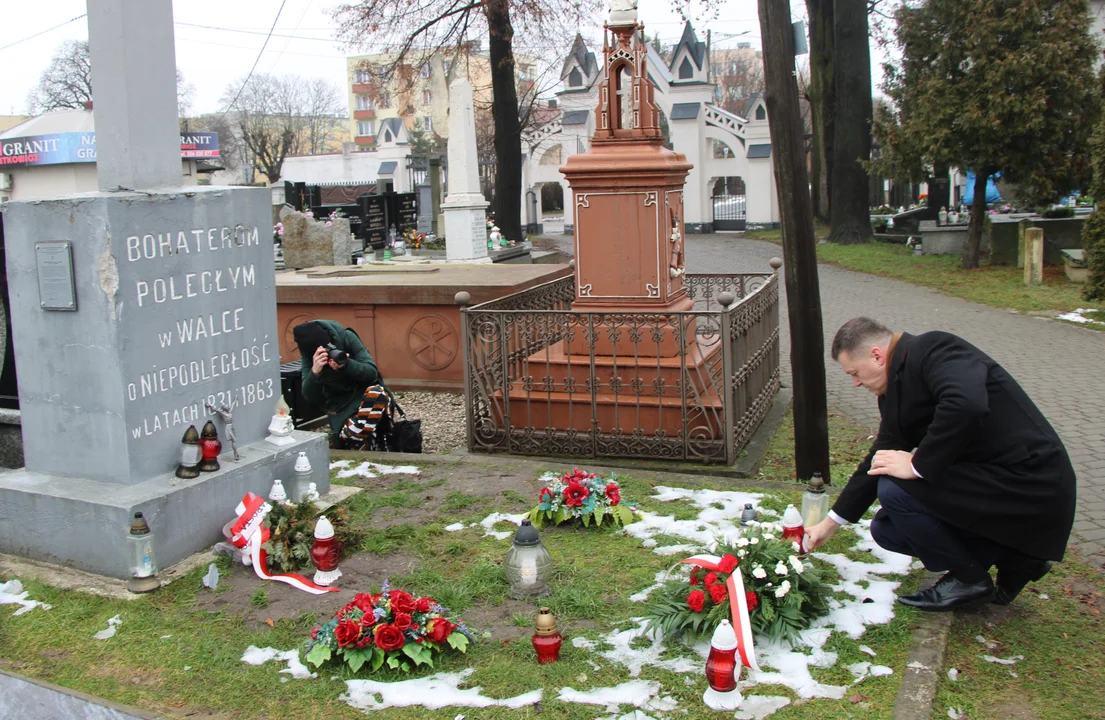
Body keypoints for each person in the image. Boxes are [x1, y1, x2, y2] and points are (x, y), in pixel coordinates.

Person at [804, 317, 1076, 611]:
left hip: (1029, 479)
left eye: (854, 373)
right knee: (887, 529)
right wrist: (831, 523)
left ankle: (969, 578)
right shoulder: (893, 392)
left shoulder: (936, 349)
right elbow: (880, 457)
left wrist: (918, 465)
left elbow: (966, 403)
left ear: (877, 355)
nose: (855, 383)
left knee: (895, 489)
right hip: (988, 481)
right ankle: (1017, 558)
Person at [293, 320, 387, 450]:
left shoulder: (346, 337)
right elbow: (311, 397)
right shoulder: (309, 355)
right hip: (339, 406)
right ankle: (355, 436)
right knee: (363, 426)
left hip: (363, 394)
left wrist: (347, 365)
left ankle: (353, 437)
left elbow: (372, 373)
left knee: (377, 393)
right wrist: (315, 373)